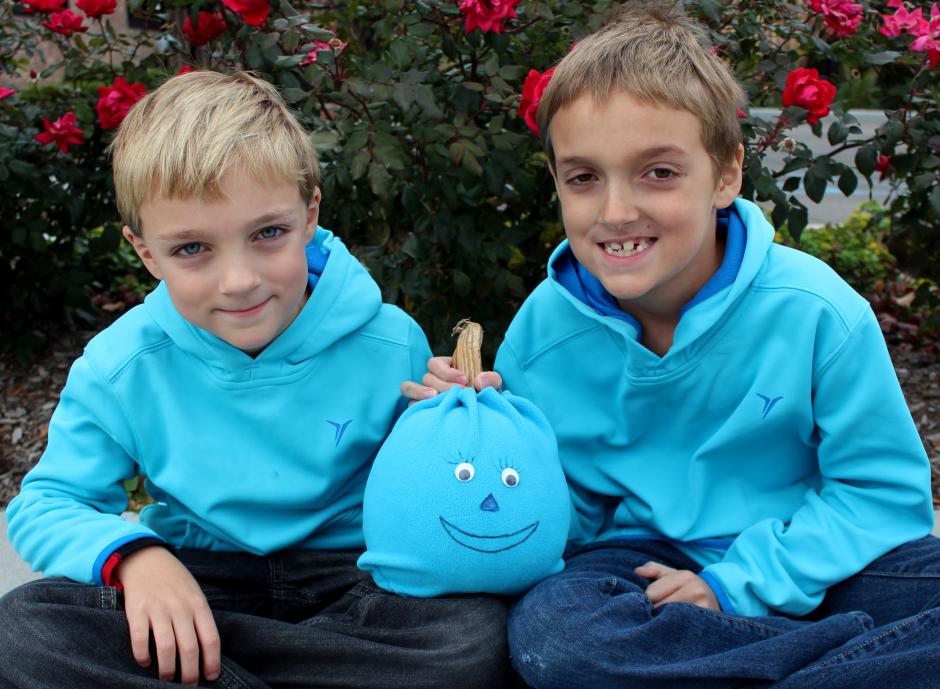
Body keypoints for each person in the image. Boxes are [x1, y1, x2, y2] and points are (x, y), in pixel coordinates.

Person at [405, 3, 940, 687]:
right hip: (639, 566)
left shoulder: (818, 312)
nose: (616, 211)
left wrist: (738, 584)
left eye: (658, 172)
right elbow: (557, 518)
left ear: (725, 173)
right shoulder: (546, 330)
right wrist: (482, 434)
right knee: (554, 638)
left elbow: (881, 495)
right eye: (584, 177)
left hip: (813, 554)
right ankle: (849, 663)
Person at [0, 70, 509, 689]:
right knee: (22, 631)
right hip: (201, 586)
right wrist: (138, 559)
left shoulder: (387, 339)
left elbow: (432, 489)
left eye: (267, 234)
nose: (238, 280)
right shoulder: (119, 365)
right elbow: (49, 503)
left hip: (353, 583)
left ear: (309, 215)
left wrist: (460, 424)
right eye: (192, 249)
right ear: (145, 252)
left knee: (472, 636)